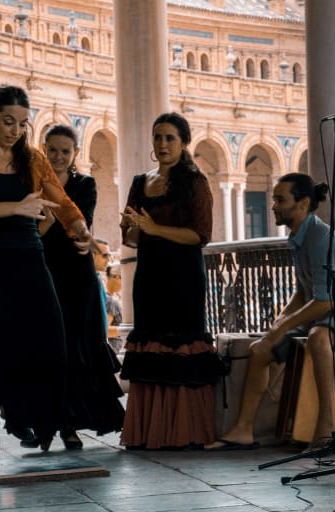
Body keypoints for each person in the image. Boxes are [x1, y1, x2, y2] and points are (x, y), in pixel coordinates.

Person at [0, 85, 99, 472]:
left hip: (29, 261)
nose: (15, 130)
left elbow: (62, 203)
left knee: (51, 342)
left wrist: (80, 229)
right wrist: (19, 206)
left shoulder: (33, 159)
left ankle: (24, 417)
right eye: (7, 122)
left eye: (21, 123)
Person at [205, 173, 335, 451]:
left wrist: (283, 327)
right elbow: (301, 293)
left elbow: (325, 300)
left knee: (319, 337)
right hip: (324, 315)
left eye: (280, 200)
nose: (273, 206)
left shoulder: (320, 236)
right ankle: (244, 430)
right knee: (261, 349)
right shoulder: (298, 236)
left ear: (303, 203)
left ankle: (328, 428)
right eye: (274, 200)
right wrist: (277, 325)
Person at [119, 112, 223, 450]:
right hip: (148, 274)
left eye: (170, 138)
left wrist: (154, 229)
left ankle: (185, 431)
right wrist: (133, 227)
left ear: (183, 143)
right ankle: (150, 432)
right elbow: (132, 239)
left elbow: (200, 235)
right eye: (158, 137)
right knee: (150, 342)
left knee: (180, 344)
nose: (162, 144)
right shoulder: (139, 182)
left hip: (183, 277)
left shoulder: (194, 181)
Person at [40, 123, 125, 450]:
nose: (59, 156)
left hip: (77, 280)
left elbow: (77, 226)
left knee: (76, 350)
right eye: (53, 150)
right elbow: (35, 228)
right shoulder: (32, 184)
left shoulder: (85, 184)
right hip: (44, 277)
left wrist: (49, 214)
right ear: (44, 150)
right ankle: (47, 422)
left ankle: (70, 426)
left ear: (75, 154)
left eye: (65, 151)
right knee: (47, 350)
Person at [105, 263, 124, 354]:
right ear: (116, 277)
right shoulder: (110, 301)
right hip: (114, 352)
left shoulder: (108, 298)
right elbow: (106, 330)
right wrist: (127, 331)